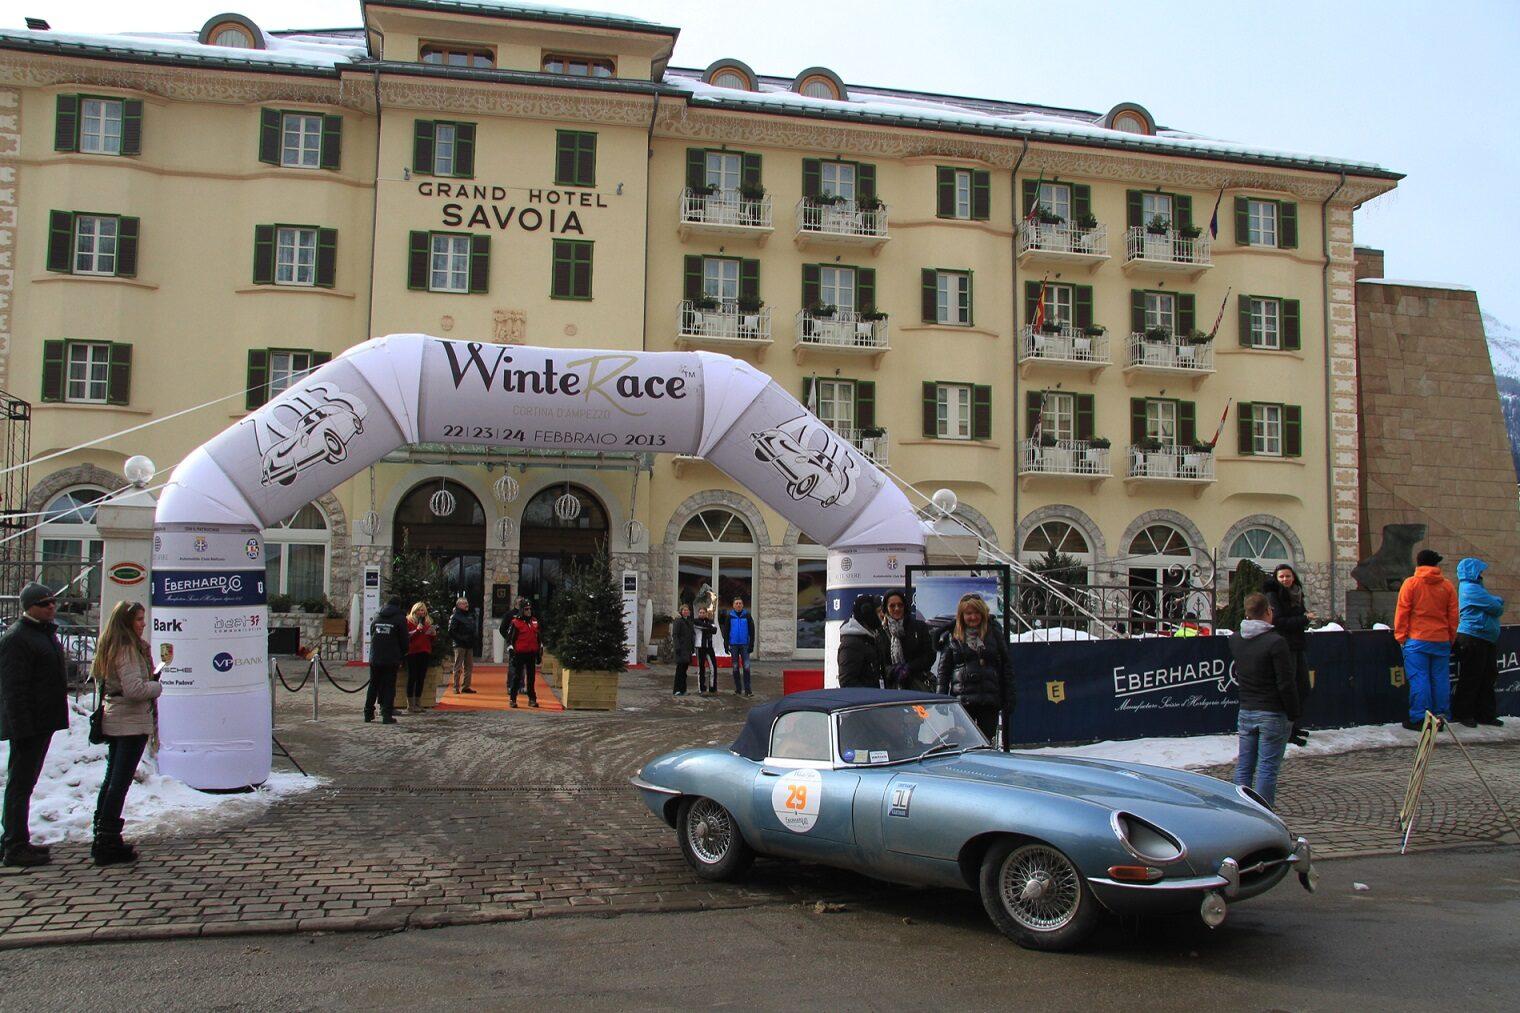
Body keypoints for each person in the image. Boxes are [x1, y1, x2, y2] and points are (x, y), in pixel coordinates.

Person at [0, 583, 68, 867]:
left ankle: (16, 839)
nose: (51, 606)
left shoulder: (43, 633)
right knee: (20, 783)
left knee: (26, 783)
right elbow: (13, 689)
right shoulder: (18, 638)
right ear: (29, 607)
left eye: (52, 601)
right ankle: (14, 845)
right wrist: (22, 727)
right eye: (43, 603)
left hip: (42, 721)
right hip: (29, 725)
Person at [89, 600, 162, 865]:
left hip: (118, 718)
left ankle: (102, 834)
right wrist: (155, 686)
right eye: (139, 619)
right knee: (118, 782)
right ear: (127, 622)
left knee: (112, 780)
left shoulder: (112, 644)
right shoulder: (127, 648)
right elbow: (134, 689)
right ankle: (107, 840)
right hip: (129, 722)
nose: (143, 624)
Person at [1228, 593, 1300, 808]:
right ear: (1268, 611)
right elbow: (1285, 682)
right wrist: (1293, 712)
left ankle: (1240, 808)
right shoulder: (1275, 642)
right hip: (1272, 711)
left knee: (1244, 765)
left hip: (1247, 708)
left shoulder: (1236, 639)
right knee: (1267, 768)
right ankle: (1263, 814)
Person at [1394, 549, 1459, 731]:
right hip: (1441, 639)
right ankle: (1440, 716)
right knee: (1440, 679)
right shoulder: (1447, 586)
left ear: (1418, 563)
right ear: (1436, 564)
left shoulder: (1411, 584)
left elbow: (1402, 612)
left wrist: (1400, 636)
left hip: (1417, 640)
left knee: (1419, 679)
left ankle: (1420, 718)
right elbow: (1453, 616)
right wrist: (1450, 637)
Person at [935, 593, 1013, 744]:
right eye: (968, 613)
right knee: (965, 741)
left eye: (977, 612)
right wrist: (941, 698)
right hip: (963, 701)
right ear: (961, 615)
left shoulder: (994, 633)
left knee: (987, 742)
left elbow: (1006, 666)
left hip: (989, 700)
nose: (973, 617)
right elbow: (943, 671)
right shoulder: (952, 636)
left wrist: (1009, 697)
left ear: (983, 613)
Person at [1263, 564, 1316, 747]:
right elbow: (1278, 621)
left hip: (1297, 644)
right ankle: (1287, 731)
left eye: (1288, 576)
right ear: (1276, 578)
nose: (1286, 579)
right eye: (1282, 577)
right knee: (1289, 689)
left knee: (1302, 687)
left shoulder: (1297, 593)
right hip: (1284, 646)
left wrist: (1305, 619)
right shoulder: (1273, 595)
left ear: (1293, 577)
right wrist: (1304, 619)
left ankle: (1294, 725)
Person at [1454, 556, 1505, 728]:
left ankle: (1485, 714)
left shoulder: (1477, 588)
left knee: (1487, 676)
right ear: (1472, 572)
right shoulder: (1470, 588)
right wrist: (1497, 600)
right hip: (1472, 637)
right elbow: (1497, 607)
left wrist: (1494, 601)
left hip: (1485, 638)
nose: (1481, 574)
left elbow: (1492, 604)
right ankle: (1464, 713)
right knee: (1471, 676)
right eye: (1479, 571)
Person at [876, 590, 935, 691]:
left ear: (905, 607)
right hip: (891, 688)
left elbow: (929, 655)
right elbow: (878, 662)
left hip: (917, 685)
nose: (897, 608)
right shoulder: (880, 632)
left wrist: (909, 667)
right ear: (886, 608)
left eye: (900, 605)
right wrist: (892, 671)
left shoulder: (919, 627)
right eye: (892, 606)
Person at [365, 596, 408, 724]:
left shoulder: (377, 616)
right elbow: (404, 640)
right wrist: (402, 655)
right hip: (391, 657)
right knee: (389, 686)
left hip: (375, 657)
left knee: (373, 685)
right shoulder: (400, 618)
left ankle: (368, 713)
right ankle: (386, 714)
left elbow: (372, 632)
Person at [838, 595, 885, 688]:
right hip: (866, 697)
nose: (882, 615)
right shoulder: (851, 644)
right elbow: (847, 682)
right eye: (878, 611)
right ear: (868, 613)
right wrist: (870, 694)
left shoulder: (871, 638)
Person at [507, 600, 542, 708]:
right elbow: (510, 640)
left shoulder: (534, 621)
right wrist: (512, 653)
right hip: (520, 653)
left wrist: (539, 653)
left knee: (531, 678)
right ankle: (513, 699)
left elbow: (538, 638)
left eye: (530, 609)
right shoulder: (515, 622)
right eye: (526, 609)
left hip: (531, 653)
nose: (529, 611)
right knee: (517, 677)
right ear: (522, 610)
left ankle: (532, 699)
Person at [403, 602, 435, 715]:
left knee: (421, 677)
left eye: (423, 611)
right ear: (415, 611)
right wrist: (417, 630)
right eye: (420, 610)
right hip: (412, 652)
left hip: (424, 651)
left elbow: (429, 639)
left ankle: (418, 702)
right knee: (412, 677)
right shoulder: (409, 621)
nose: (422, 613)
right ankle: (410, 704)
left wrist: (432, 634)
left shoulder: (427, 622)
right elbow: (407, 636)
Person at [721, 597, 756, 697]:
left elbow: (752, 631)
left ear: (742, 605)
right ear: (733, 605)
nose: (738, 605)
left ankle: (748, 690)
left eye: (740, 603)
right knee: (735, 667)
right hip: (734, 645)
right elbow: (726, 631)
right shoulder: (730, 616)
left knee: (746, 667)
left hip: (745, 644)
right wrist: (726, 644)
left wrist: (751, 644)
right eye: (736, 603)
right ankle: (738, 689)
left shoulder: (747, 615)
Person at [447, 597, 477, 694]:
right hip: (459, 644)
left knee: (469, 666)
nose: (466, 605)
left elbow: (473, 628)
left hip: (469, 644)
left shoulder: (470, 615)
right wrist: (461, 638)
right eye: (464, 603)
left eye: (467, 603)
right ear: (459, 605)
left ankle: (466, 686)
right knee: (458, 666)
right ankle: (456, 687)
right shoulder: (455, 616)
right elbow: (451, 631)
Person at [671, 604, 695, 696]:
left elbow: (691, 636)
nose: (686, 611)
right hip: (681, 649)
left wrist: (692, 648)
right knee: (680, 670)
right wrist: (677, 646)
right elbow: (675, 635)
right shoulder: (678, 621)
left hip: (687, 649)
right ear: (681, 611)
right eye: (684, 610)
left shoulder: (688, 622)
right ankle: (677, 689)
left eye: (687, 610)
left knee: (684, 671)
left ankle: (683, 689)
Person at [693, 607, 719, 694]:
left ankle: (712, 688)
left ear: (706, 613)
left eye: (703, 612)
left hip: (709, 647)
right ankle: (701, 688)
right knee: (701, 668)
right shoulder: (695, 621)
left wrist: (708, 627)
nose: (702, 614)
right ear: (698, 613)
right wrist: (709, 627)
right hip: (700, 647)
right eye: (700, 612)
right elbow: (702, 626)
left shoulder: (710, 621)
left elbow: (715, 630)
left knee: (713, 667)